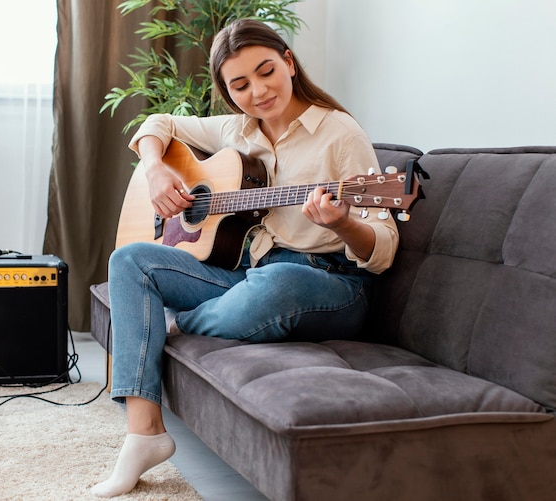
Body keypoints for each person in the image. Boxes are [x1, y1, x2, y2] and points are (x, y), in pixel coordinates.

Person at [91, 18, 399, 498]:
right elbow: (159, 123)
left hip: (331, 284)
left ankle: (175, 321)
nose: (258, 90)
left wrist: (341, 223)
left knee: (277, 284)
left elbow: (381, 249)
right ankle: (144, 432)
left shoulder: (340, 134)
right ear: (227, 91)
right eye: (240, 84)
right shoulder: (238, 130)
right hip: (250, 274)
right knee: (129, 262)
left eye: (266, 71)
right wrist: (154, 168)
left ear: (289, 63)